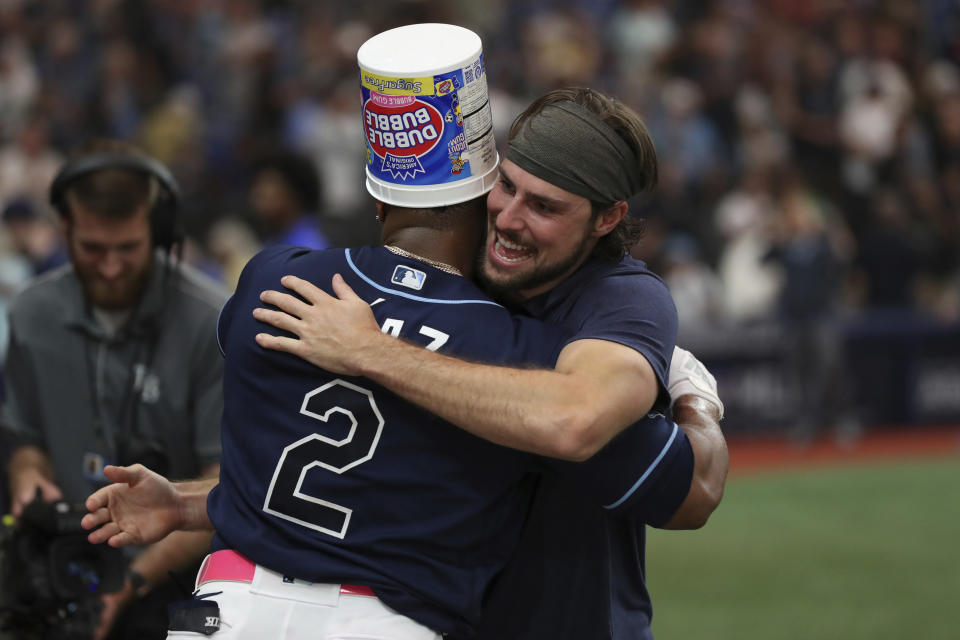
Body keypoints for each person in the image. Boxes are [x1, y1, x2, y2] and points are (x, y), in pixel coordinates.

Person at [84, 192, 709, 639]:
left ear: (379, 202)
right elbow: (682, 490)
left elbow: (328, 465)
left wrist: (189, 505)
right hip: (383, 623)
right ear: (482, 214)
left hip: (228, 613)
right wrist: (693, 399)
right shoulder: (523, 360)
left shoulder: (278, 279)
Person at [252, 87, 729, 639]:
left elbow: (612, 444)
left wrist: (696, 399)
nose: (508, 218)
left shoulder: (620, 302)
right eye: (506, 186)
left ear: (608, 218)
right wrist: (191, 505)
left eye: (545, 206)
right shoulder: (456, 259)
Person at [1, 139, 226, 640]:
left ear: (159, 233)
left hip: (174, 584)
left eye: (127, 248)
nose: (109, 266)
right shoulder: (31, 314)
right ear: (65, 229)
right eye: (92, 249)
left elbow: (227, 485)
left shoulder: (210, 323)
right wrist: (28, 475)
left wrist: (128, 582)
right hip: (57, 568)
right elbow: (25, 438)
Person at [249, 150, 331, 250]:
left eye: (268, 183)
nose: (258, 192)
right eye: (256, 183)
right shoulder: (274, 238)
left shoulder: (309, 245)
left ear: (294, 191)